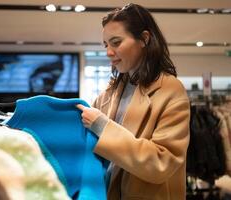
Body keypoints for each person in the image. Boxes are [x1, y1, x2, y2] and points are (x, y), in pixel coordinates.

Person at [77, 3, 190, 200]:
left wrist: (103, 127)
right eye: (106, 45)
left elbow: (161, 163)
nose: (108, 52)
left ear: (144, 39)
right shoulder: (109, 93)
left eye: (116, 42)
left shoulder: (171, 90)